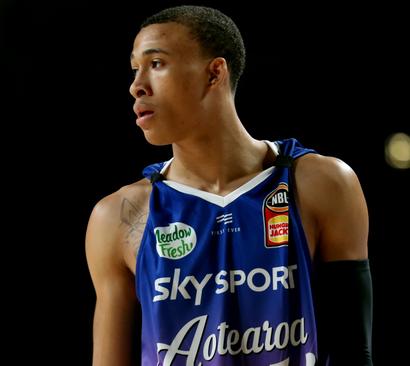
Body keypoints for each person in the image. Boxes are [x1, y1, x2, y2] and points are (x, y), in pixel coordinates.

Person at [85, 5, 373, 366]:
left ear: (214, 73)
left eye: (156, 63)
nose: (136, 85)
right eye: (134, 70)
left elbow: (354, 355)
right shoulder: (117, 217)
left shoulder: (323, 183)